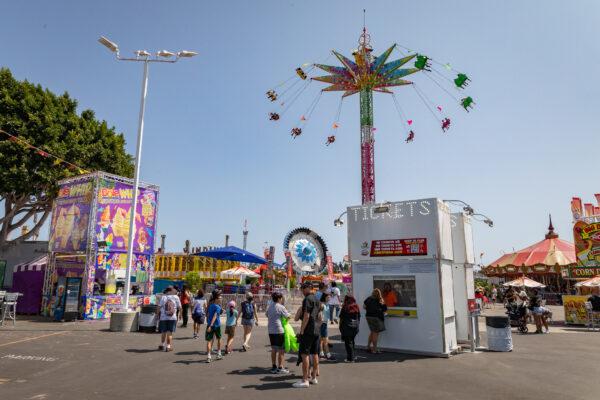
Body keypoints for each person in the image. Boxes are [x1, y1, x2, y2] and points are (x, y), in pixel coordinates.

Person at [293, 282, 321, 388]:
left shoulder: (307, 299)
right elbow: (320, 317)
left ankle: (305, 380)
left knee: (304, 354)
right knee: (315, 354)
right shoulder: (317, 300)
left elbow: (306, 315)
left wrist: (302, 330)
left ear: (310, 288)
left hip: (308, 331)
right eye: (302, 288)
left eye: (303, 288)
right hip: (316, 330)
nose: (302, 290)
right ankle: (313, 378)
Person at [265, 292, 291, 374]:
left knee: (273, 349)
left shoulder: (270, 307)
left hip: (271, 330)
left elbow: (267, 315)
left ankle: (274, 366)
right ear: (279, 299)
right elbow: (288, 316)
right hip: (279, 330)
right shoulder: (281, 307)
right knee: (281, 350)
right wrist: (285, 321)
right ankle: (280, 367)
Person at [157, 286, 181, 352]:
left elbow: (159, 307)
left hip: (163, 317)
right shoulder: (176, 297)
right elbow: (180, 307)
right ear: (171, 290)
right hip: (172, 317)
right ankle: (168, 346)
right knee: (169, 332)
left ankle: (162, 345)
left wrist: (157, 314)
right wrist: (180, 315)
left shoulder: (163, 297)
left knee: (163, 332)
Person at [364, 288, 387, 354]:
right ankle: (374, 350)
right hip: (376, 318)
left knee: (372, 332)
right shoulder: (380, 300)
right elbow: (385, 309)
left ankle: (368, 347)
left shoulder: (369, 299)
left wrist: (370, 309)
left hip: (368, 316)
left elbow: (364, 306)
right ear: (379, 293)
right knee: (375, 333)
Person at [339, 295, 360, 362]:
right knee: (352, 341)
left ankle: (350, 358)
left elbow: (341, 317)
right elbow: (359, 316)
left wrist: (340, 327)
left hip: (347, 327)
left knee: (348, 343)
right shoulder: (356, 306)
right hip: (355, 326)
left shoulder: (345, 307)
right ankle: (353, 356)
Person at [205, 290, 223, 363]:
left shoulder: (210, 305)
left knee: (209, 340)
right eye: (220, 297)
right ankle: (219, 353)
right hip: (216, 325)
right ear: (216, 299)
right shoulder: (217, 306)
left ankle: (209, 356)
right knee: (219, 338)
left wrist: (209, 324)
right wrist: (211, 324)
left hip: (209, 324)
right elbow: (215, 316)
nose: (221, 298)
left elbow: (208, 314)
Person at [319, 292, 334, 360]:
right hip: (321, 324)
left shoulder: (327, 304)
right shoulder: (322, 304)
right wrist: (321, 321)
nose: (329, 298)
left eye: (330, 297)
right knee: (324, 339)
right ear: (324, 297)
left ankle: (321, 353)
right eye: (328, 297)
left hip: (324, 323)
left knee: (322, 339)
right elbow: (319, 314)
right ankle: (328, 354)